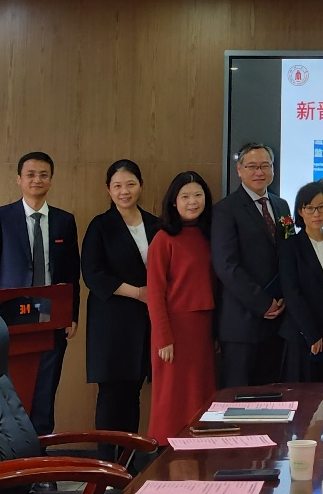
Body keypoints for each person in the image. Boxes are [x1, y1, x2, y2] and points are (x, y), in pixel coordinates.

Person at [0, 151, 79, 435]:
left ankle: (41, 454)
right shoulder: (0, 217)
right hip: (10, 317)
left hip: (50, 314)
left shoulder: (64, 220)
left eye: (43, 175)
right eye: (31, 174)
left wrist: (71, 314)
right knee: (12, 388)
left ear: (51, 180)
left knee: (45, 389)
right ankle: (13, 453)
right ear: (19, 179)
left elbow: (72, 272)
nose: (37, 180)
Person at [81, 159, 160, 449]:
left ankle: (128, 461)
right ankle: (106, 463)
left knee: (133, 393)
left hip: (143, 321)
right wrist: (137, 293)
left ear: (141, 185)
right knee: (111, 394)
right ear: (108, 189)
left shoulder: (155, 224)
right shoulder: (100, 225)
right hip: (111, 321)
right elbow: (93, 274)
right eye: (117, 186)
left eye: (130, 184)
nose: (124, 191)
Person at [211, 141, 292, 387]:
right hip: (241, 323)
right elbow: (226, 266)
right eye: (252, 166)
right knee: (238, 397)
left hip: (278, 321)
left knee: (272, 395)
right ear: (239, 170)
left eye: (265, 166)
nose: (259, 172)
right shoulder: (225, 210)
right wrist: (263, 303)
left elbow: (288, 253)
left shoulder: (281, 206)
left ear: (273, 169)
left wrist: (285, 296)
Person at [147, 171, 216, 442]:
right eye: (185, 196)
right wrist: (163, 337)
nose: (192, 202)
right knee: (172, 396)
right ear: (173, 202)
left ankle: (199, 449)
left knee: (200, 393)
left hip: (203, 327)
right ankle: (166, 452)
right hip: (174, 329)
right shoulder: (163, 238)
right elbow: (155, 293)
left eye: (198, 195)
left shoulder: (210, 235)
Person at [279, 181, 323, 381]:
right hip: (301, 335)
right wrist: (311, 334)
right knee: (301, 394)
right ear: (300, 211)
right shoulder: (290, 247)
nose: (317, 213)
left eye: (322, 207)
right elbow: (292, 293)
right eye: (310, 208)